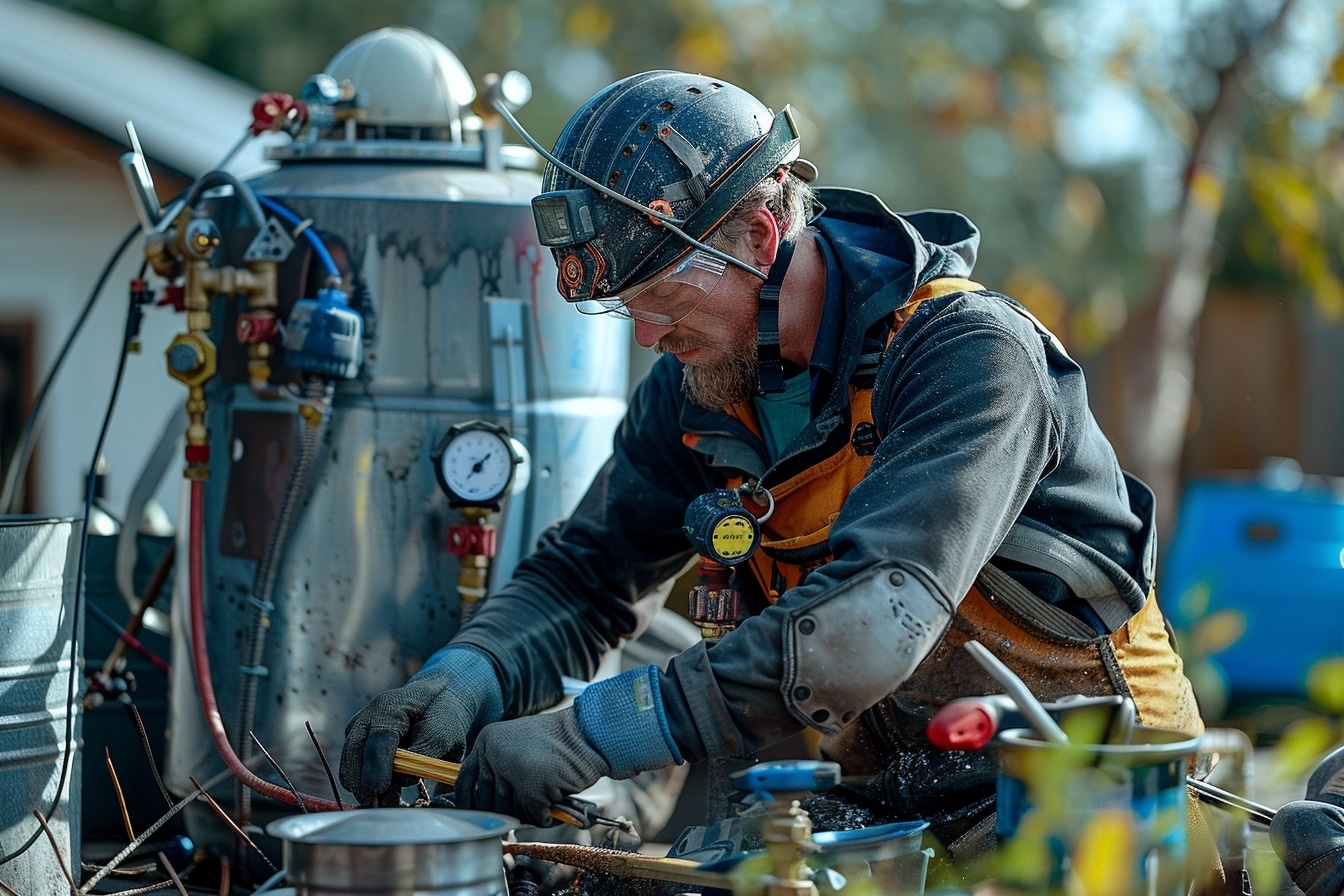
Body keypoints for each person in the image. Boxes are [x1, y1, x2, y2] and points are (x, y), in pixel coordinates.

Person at [340, 69, 1206, 865]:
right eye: (627, 310)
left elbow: (867, 626)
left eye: (663, 301)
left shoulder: (968, 356)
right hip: (885, 813)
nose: (647, 338)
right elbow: (590, 572)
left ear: (759, 236)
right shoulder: (701, 387)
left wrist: (588, 737)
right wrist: (469, 674)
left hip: (1095, 811)